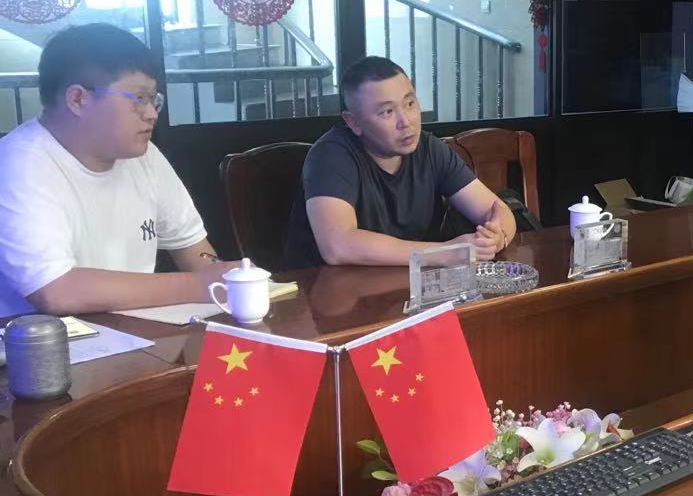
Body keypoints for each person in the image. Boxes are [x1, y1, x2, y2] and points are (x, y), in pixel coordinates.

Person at [0, 23, 231, 318]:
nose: (152, 113)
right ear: (78, 99)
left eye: (154, 99)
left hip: (136, 335)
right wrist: (198, 285)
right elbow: (56, 291)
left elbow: (195, 253)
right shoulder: (18, 164)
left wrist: (229, 280)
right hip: (44, 341)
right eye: (139, 99)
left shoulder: (144, 157)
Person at [285, 57, 515, 268]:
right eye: (387, 112)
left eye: (410, 104)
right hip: (327, 291)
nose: (405, 121)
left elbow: (496, 210)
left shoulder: (430, 149)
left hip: (408, 285)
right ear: (353, 122)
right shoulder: (330, 156)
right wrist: (445, 252)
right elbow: (338, 246)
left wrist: (496, 237)